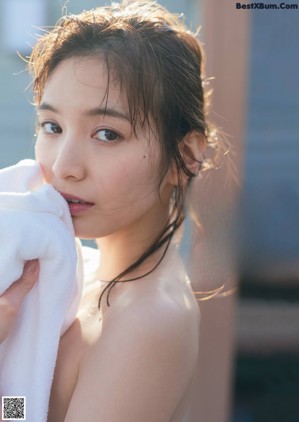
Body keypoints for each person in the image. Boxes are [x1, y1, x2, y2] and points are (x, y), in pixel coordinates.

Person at [0, 1, 222, 421]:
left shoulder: (148, 319)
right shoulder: (72, 272)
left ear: (185, 156)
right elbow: (18, 407)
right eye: (53, 126)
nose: (65, 166)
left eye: (107, 133)